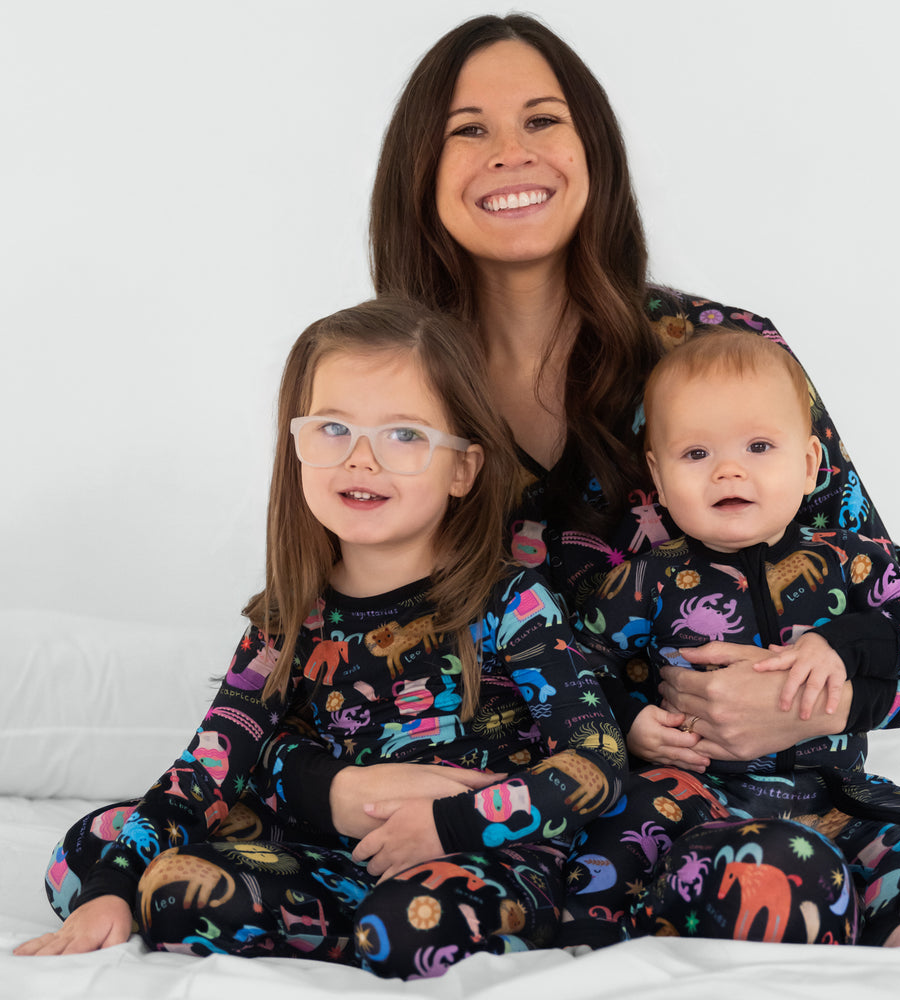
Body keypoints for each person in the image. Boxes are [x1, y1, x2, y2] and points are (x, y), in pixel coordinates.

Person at [305, 11, 900, 946]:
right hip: (530, 802)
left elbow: (892, 606)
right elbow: (337, 642)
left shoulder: (723, 356)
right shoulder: (388, 393)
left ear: (594, 149)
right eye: (467, 129)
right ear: (418, 167)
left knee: (884, 851)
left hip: (796, 778)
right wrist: (340, 788)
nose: (508, 153)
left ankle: (877, 919)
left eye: (542, 119)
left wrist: (812, 701)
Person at [14, 297, 637, 977]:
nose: (361, 460)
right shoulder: (289, 619)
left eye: (404, 436)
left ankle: (381, 924)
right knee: (87, 854)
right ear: (298, 446)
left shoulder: (512, 600)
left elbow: (596, 765)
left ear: (462, 468)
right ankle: (331, 920)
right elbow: (209, 767)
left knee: (408, 924)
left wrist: (451, 824)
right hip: (333, 854)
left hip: (475, 854)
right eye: (333, 428)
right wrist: (108, 892)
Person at [572, 328, 900, 947]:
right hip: (697, 788)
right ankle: (595, 927)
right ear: (657, 477)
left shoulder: (852, 561)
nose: (729, 470)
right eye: (696, 454)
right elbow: (579, 669)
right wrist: (630, 721)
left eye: (759, 446)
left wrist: (841, 647)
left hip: (831, 789)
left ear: (812, 463)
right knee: (627, 814)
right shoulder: (645, 582)